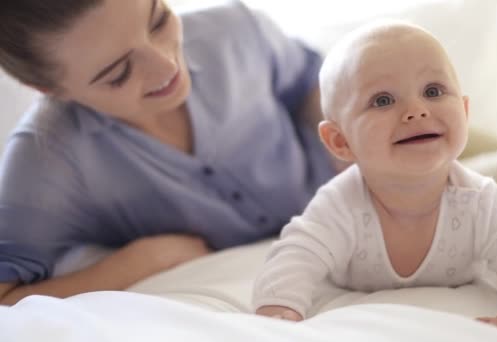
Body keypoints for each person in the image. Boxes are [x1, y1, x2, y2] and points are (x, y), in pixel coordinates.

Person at [0, 0, 337, 305]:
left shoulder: (235, 30)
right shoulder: (46, 161)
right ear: (51, 89)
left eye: (158, 20)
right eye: (119, 73)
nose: (167, 66)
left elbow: (310, 83)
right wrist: (139, 263)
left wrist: (349, 146)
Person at [252, 21, 497, 329]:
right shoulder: (339, 205)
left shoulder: (479, 200)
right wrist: (281, 312)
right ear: (340, 141)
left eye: (433, 91)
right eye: (383, 100)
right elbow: (296, 256)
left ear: (465, 112)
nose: (416, 110)